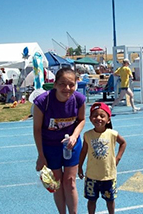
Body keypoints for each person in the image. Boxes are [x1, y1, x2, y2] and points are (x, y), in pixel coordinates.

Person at [33, 67, 86, 214]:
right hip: (50, 146)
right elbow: (37, 129)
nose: (67, 88)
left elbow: (81, 120)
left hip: (71, 144)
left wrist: (74, 136)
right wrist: (41, 155)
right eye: (62, 84)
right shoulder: (42, 102)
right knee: (57, 182)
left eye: (71, 84)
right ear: (55, 84)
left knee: (70, 182)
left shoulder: (79, 99)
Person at [78, 102, 127, 214]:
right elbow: (84, 151)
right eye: (95, 115)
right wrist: (79, 166)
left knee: (110, 200)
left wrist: (117, 158)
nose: (98, 118)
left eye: (102, 116)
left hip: (108, 176)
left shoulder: (112, 134)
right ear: (90, 118)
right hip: (92, 176)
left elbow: (123, 143)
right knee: (91, 200)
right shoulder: (87, 135)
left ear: (108, 119)